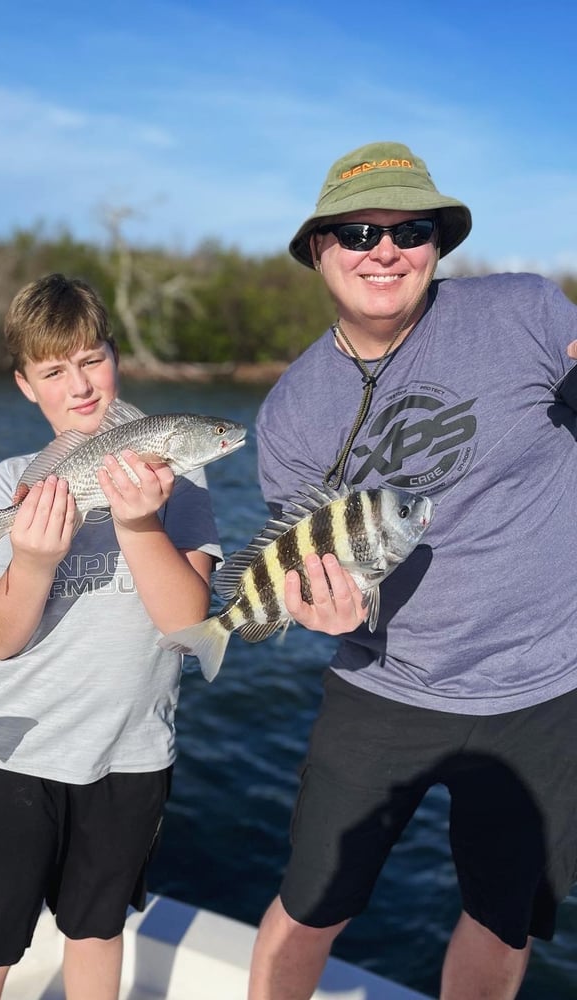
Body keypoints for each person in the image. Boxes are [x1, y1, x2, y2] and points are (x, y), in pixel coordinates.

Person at [247, 140, 577, 1000]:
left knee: (503, 918)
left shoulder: (528, 310)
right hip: (383, 690)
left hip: (548, 691)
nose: (383, 250)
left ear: (438, 243)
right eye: (356, 232)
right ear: (319, 249)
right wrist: (320, 611)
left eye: (410, 229)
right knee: (312, 904)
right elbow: (302, 561)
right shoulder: (290, 409)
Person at [0, 273, 223, 999]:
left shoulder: (181, 481)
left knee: (96, 929)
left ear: (116, 355)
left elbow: (185, 625)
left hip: (131, 754)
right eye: (54, 370)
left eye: (92, 360)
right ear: (27, 385)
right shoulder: (15, 478)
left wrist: (141, 522)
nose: (79, 385)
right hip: (12, 754)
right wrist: (33, 557)